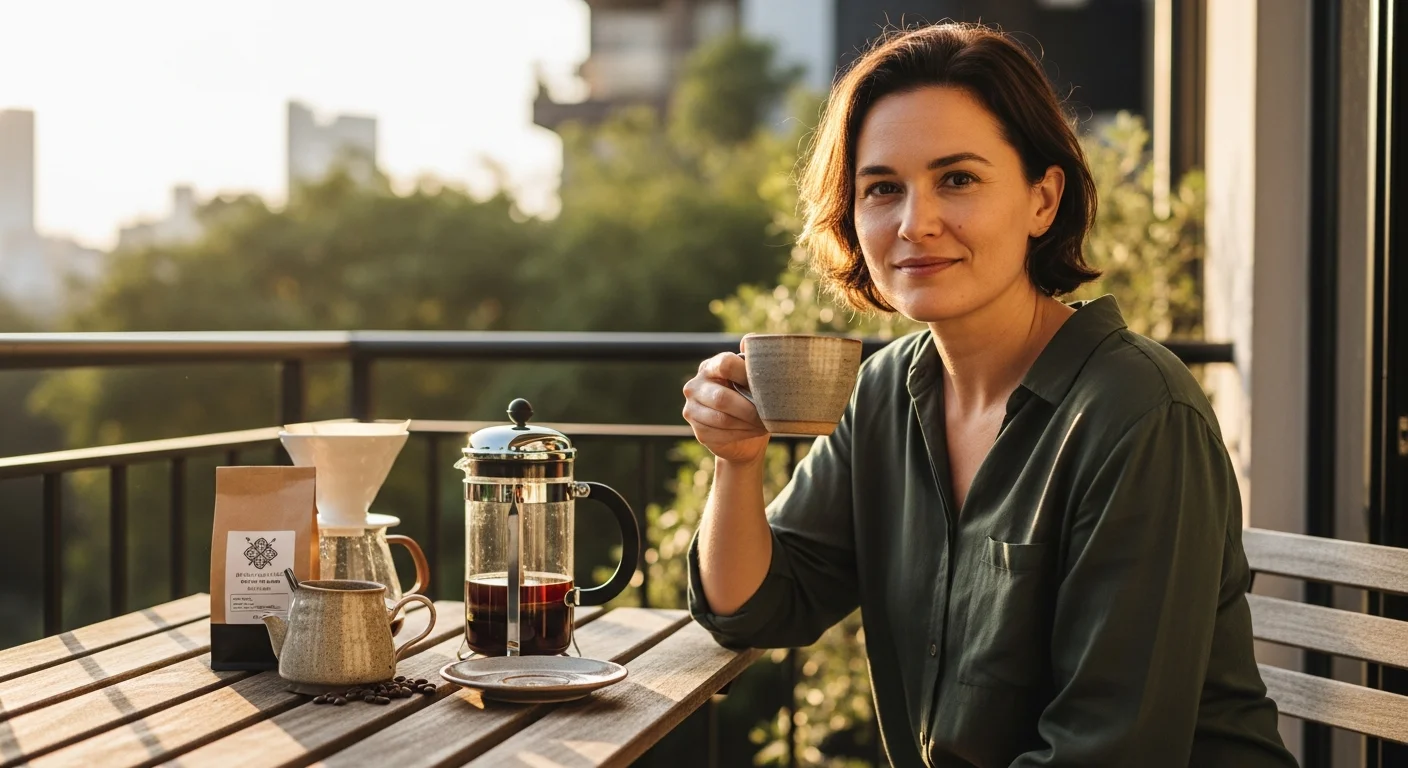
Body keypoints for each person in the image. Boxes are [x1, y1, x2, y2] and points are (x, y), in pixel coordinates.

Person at [681, 22, 1298, 768]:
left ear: (1043, 200)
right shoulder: (884, 393)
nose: (916, 223)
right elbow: (755, 607)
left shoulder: (1137, 415)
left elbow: (1105, 752)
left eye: (959, 179)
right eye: (883, 188)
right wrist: (738, 463)